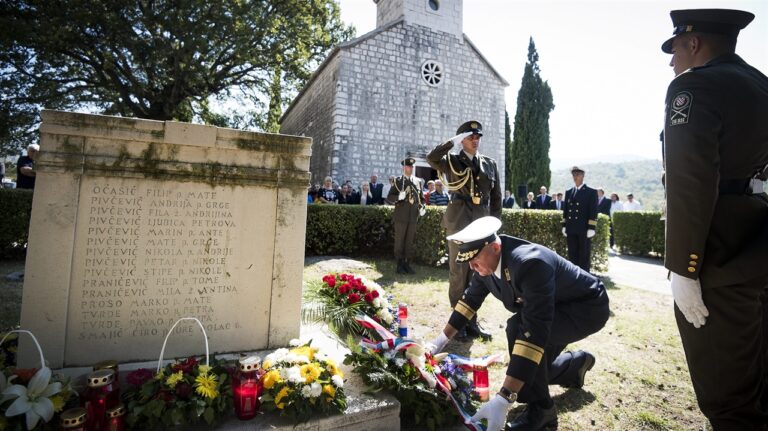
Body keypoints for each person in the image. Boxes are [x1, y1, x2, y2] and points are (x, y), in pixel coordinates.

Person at [661, 8, 768, 430]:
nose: (672, 62)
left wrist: (683, 266)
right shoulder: (762, 87)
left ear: (694, 43)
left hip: (716, 255)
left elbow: (690, 179)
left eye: (675, 50)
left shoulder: (692, 87)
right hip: (759, 241)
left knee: (730, 404)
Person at [429, 217, 609, 431]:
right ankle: (574, 365)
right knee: (531, 370)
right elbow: (469, 302)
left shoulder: (529, 263)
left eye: (474, 259)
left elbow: (534, 329)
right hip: (555, 306)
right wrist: (438, 342)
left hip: (585, 308)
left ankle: (542, 412)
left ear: (495, 248)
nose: (471, 266)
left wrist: (504, 397)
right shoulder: (486, 265)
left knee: (518, 330)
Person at [427, 120, 502, 341]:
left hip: (481, 224)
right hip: (459, 222)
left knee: (479, 274)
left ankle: (473, 321)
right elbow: (431, 159)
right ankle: (457, 323)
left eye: (477, 137)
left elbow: (496, 198)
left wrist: (494, 224)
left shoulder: (489, 163)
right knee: (459, 273)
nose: (475, 140)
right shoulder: (450, 160)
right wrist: (451, 142)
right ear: (462, 140)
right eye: (470, 137)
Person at [388, 157, 426, 274]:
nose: (410, 168)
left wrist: (423, 207)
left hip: (413, 216)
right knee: (400, 241)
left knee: (409, 241)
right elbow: (390, 197)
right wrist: (398, 197)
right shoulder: (398, 181)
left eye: (411, 166)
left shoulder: (418, 181)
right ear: (403, 168)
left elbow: (421, 198)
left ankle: (407, 263)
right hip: (401, 216)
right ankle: (399, 264)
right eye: (408, 166)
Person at [562, 166, 598, 272]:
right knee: (572, 253)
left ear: (583, 176)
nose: (575, 177)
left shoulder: (591, 192)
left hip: (584, 229)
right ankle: (573, 275)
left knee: (584, 254)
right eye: (573, 174)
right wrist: (564, 225)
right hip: (571, 228)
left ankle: (584, 276)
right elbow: (566, 210)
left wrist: (591, 227)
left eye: (577, 174)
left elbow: (593, 210)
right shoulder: (569, 192)